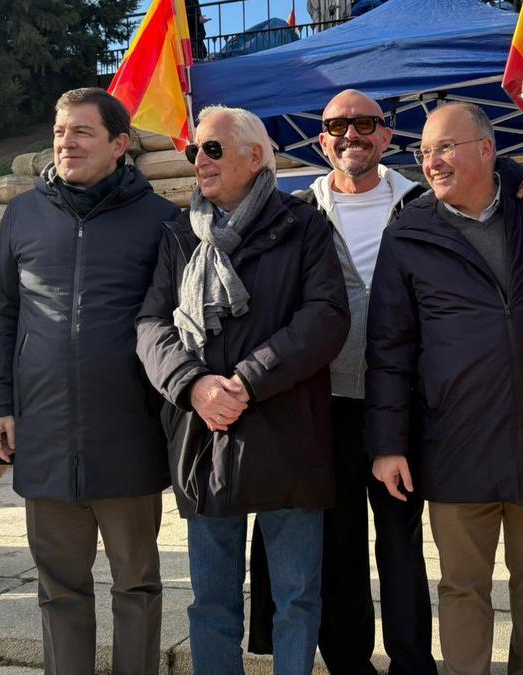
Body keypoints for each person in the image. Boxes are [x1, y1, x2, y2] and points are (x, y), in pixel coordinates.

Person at [366, 102, 523, 675]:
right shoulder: (408, 233)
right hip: (456, 443)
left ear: (486, 150)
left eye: (444, 148)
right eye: (424, 152)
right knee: (462, 587)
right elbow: (389, 348)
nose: (431, 162)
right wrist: (388, 444)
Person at [135, 104, 350, 673]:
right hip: (204, 436)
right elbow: (151, 325)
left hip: (289, 437)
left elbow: (326, 316)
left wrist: (248, 379)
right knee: (211, 602)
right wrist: (194, 385)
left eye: (213, 148)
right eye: (193, 151)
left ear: (257, 157)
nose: (198, 161)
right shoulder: (180, 235)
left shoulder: (304, 226)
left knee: (297, 599)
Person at [0, 87, 176, 674]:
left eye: (82, 132)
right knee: (59, 588)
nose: (66, 143)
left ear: (119, 145)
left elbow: (175, 325)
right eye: (60, 132)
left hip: (129, 434)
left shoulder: (163, 220)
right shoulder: (22, 215)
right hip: (44, 434)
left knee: (137, 584)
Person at [245, 89, 436, 675]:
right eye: (336, 125)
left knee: (401, 543)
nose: (350, 133)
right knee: (339, 544)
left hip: (403, 405)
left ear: (386, 135)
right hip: (322, 404)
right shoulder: (295, 212)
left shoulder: (424, 203)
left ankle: (411, 662)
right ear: (321, 139)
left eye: (364, 123)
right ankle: (350, 663)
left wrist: (510, 169)